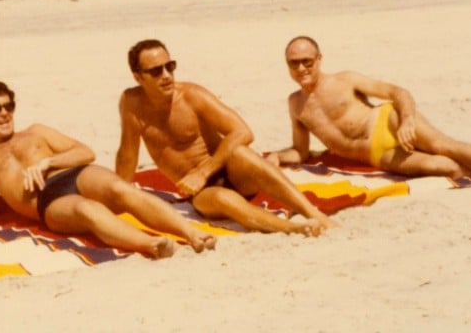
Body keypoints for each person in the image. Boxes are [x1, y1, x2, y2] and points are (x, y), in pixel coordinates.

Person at [0, 80, 217, 258]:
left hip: (72, 174)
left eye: (8, 105)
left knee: (119, 188)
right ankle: (151, 244)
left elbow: (84, 152)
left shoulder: (36, 132)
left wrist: (49, 161)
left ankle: (191, 234)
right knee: (87, 210)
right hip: (48, 201)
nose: (4, 113)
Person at [115, 39, 334, 236]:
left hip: (230, 172)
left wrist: (203, 171)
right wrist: (118, 195)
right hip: (202, 193)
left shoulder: (191, 95)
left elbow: (242, 131)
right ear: (138, 77)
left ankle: (311, 212)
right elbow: (128, 153)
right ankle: (292, 228)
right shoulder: (132, 104)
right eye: (155, 71)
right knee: (222, 199)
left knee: (240, 151)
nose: (166, 75)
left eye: (169, 66)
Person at [270, 35, 471, 181]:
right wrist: (277, 157)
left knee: (443, 145)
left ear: (319, 59)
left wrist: (407, 120)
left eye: (307, 61)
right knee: (443, 167)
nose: (301, 68)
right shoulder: (295, 104)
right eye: (294, 62)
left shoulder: (345, 80)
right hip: (376, 155)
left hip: (387, 122)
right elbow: (300, 150)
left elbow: (397, 92)